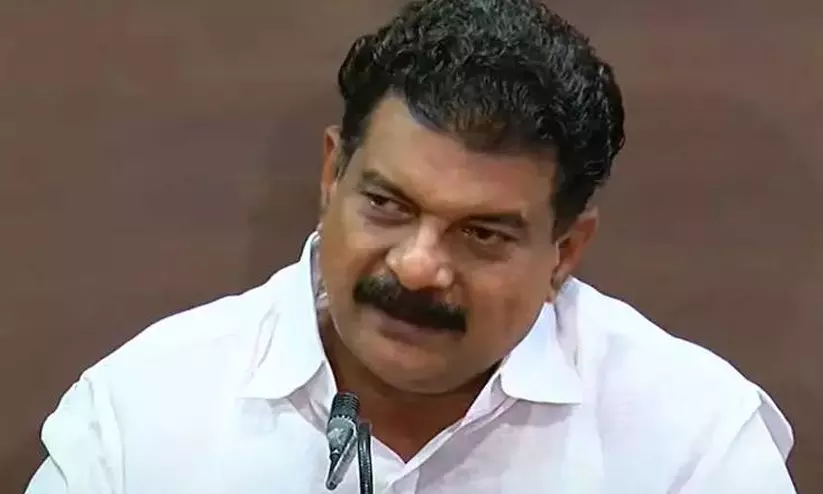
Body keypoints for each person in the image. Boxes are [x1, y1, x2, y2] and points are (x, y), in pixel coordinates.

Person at [25, 0, 796, 492]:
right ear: (332, 175)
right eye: (387, 205)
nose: (418, 267)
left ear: (563, 251)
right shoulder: (140, 415)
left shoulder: (692, 443)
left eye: (482, 233)